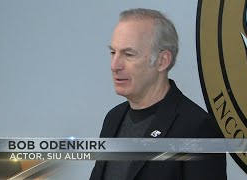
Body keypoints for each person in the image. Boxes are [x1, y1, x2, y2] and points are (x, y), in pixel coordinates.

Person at [90, 8, 226, 180]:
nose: (115, 65)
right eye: (113, 52)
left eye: (128, 54)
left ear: (162, 61)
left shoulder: (198, 129)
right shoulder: (113, 118)